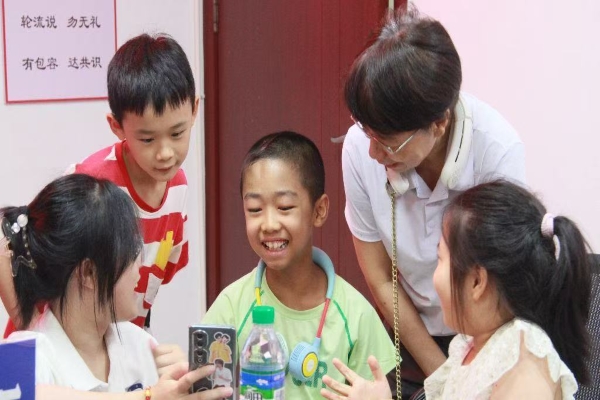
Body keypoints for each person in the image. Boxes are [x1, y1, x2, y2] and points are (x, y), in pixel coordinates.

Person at [341, 6, 526, 395]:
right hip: (410, 336)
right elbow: (380, 276)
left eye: (388, 142)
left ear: (439, 122)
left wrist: (464, 382)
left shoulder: (497, 152)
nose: (373, 152)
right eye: (368, 132)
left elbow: (500, 292)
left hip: (486, 338)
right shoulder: (360, 147)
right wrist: (442, 377)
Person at [1, 33, 198, 336]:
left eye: (177, 134)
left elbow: (151, 284)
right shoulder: (91, 182)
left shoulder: (178, 187)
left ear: (194, 111)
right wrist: (34, 333)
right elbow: (11, 244)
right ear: (117, 127)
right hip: (55, 346)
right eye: (147, 139)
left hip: (113, 347)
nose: (165, 153)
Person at [321, 180, 590, 400]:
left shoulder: (524, 361)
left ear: (476, 282)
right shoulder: (469, 347)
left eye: (440, 259)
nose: (433, 277)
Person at [202, 131, 396, 399]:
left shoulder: (356, 315)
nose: (269, 224)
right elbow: (201, 388)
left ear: (319, 211)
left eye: (284, 207)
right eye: (255, 209)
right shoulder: (231, 307)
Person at [0, 174, 231, 399]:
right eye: (131, 253)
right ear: (88, 273)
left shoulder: (140, 345)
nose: (140, 266)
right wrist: (148, 396)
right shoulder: (22, 358)